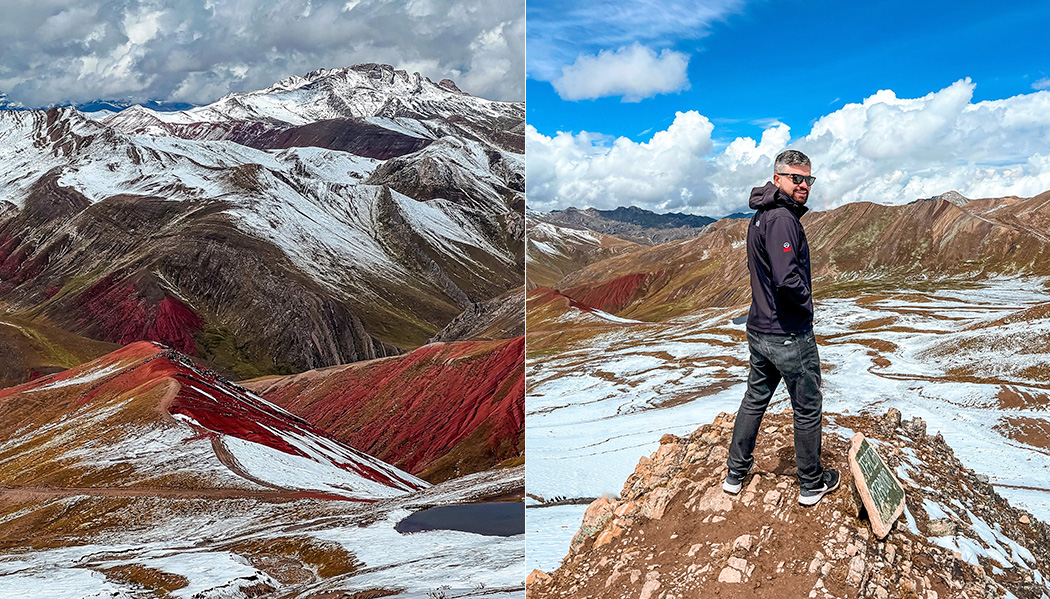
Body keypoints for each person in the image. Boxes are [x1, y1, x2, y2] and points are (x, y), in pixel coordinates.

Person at [722, 149, 839, 506]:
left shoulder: (760, 215)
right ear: (778, 179)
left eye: (808, 179)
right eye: (796, 178)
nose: (803, 185)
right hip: (787, 332)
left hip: (759, 329)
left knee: (755, 398)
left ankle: (734, 473)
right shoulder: (783, 220)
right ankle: (811, 483)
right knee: (807, 406)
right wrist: (806, 308)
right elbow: (787, 279)